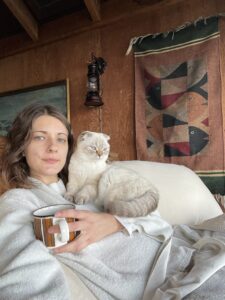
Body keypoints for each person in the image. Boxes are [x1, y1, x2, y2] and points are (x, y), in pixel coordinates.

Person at [0, 103, 172, 300]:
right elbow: (24, 268)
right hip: (154, 281)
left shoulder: (95, 180)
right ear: (22, 147)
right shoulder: (17, 200)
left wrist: (114, 223)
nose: (53, 147)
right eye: (40, 137)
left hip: (173, 253)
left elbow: (157, 220)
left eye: (61, 139)